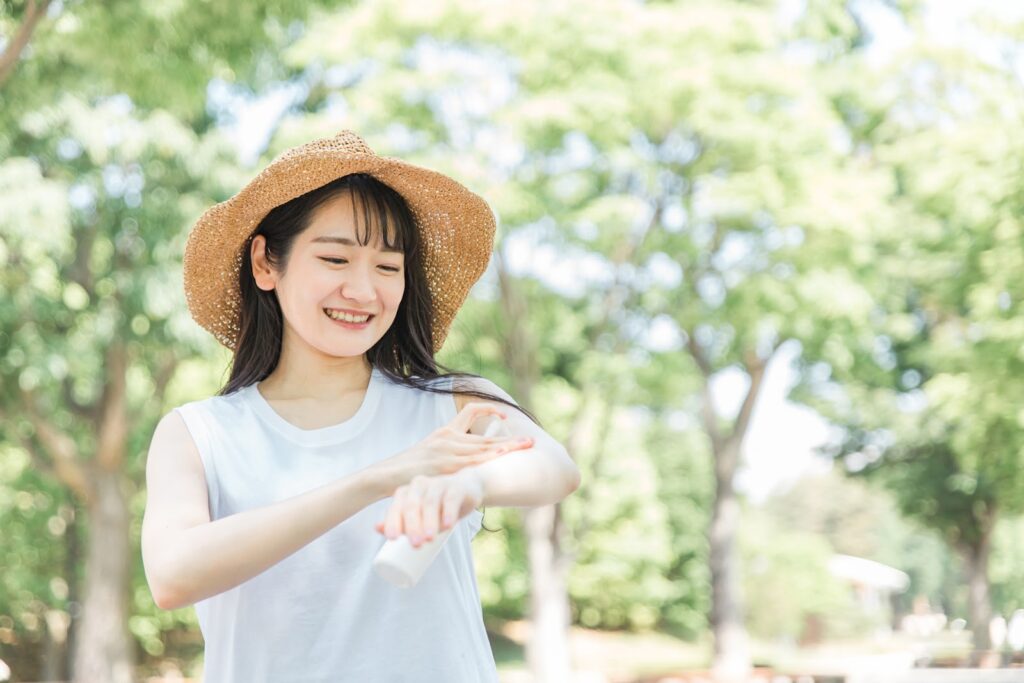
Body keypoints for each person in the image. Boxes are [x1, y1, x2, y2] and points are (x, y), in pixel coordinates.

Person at [140, 130, 581, 682]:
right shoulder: (198, 434)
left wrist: (468, 486)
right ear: (265, 263)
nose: (363, 290)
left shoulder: (451, 408)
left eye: (387, 267)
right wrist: (376, 480)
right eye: (335, 258)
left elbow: (554, 467)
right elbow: (173, 575)